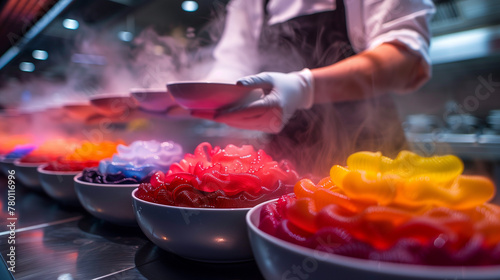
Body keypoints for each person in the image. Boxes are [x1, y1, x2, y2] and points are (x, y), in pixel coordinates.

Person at [193, 0, 436, 177]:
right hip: (284, 167)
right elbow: (232, 65)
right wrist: (199, 96)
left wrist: (304, 87)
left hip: (372, 160)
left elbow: (406, 61)